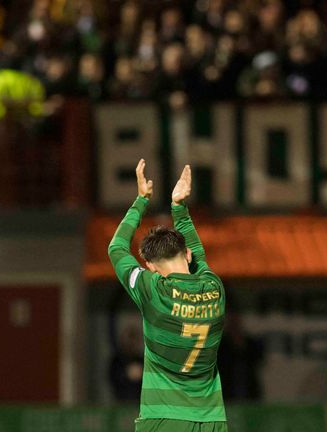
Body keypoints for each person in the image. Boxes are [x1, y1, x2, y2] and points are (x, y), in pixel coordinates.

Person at [108, 159, 228, 432]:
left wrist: (141, 201)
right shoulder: (214, 289)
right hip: (210, 420)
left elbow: (116, 249)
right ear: (187, 255)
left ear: (150, 266)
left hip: (162, 419)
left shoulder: (152, 290)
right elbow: (199, 254)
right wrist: (179, 208)